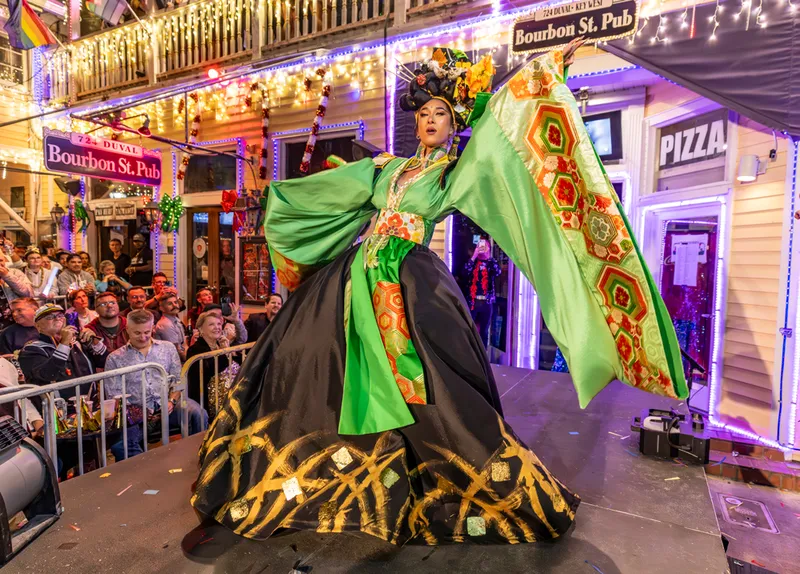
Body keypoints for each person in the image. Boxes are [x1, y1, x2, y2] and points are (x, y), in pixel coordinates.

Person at [192, 41, 689, 545]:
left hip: (410, 281)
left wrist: (546, 69)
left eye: (441, 114)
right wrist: (281, 199)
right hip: (356, 274)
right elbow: (331, 191)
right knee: (312, 359)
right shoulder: (387, 167)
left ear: (454, 124)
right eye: (425, 114)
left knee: (435, 387)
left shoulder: (456, 173)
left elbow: (505, 133)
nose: (430, 121)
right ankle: (321, 469)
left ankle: (444, 472)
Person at [104, 310, 208, 460]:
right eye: (137, 333)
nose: (143, 337)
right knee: (122, 445)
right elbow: (114, 395)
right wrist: (137, 412)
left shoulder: (168, 348)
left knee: (198, 414)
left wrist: (172, 400)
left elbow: (178, 380)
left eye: (147, 332)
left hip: (169, 404)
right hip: (135, 413)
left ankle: (197, 459)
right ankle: (144, 470)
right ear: (127, 330)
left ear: (152, 328)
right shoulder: (115, 358)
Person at [17, 303, 106, 394]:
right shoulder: (31, 350)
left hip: (90, 400)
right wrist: (64, 343)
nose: (57, 318)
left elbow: (104, 363)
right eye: (49, 317)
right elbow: (48, 374)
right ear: (38, 326)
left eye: (60, 315)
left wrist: (95, 341)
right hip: (56, 403)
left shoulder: (78, 342)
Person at [186, 311, 238, 410]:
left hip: (229, 398)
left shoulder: (222, 345)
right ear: (201, 329)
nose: (217, 327)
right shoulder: (195, 350)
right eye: (211, 324)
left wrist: (229, 351)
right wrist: (224, 353)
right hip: (206, 403)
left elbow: (236, 366)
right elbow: (209, 372)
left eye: (219, 324)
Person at [463, 238, 502, 348]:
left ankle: (483, 353)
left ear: (488, 248)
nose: (481, 248)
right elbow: (464, 272)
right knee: (469, 329)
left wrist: (488, 256)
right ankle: (470, 351)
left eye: (484, 246)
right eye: (480, 246)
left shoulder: (490, 263)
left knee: (484, 331)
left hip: (486, 302)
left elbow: (498, 271)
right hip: (473, 302)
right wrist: (474, 255)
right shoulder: (473, 262)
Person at [0, 356, 43, 437]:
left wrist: (37, 421)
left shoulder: (5, 363)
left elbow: (21, 397)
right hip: (13, 438)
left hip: (29, 430)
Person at [85, 292, 128, 361]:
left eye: (112, 303)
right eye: (103, 304)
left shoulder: (130, 325)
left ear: (118, 305)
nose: (109, 306)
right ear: (96, 309)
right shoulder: (90, 330)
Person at [0, 257, 34, 328]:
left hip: (15, 320)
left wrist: (7, 276)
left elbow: (28, 294)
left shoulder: (15, 272)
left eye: (1, 260)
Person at [153, 291, 188, 361]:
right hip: (169, 361)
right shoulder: (166, 324)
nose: (174, 305)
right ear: (162, 308)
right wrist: (190, 360)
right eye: (170, 304)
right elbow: (176, 351)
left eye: (175, 302)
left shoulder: (176, 320)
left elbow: (184, 345)